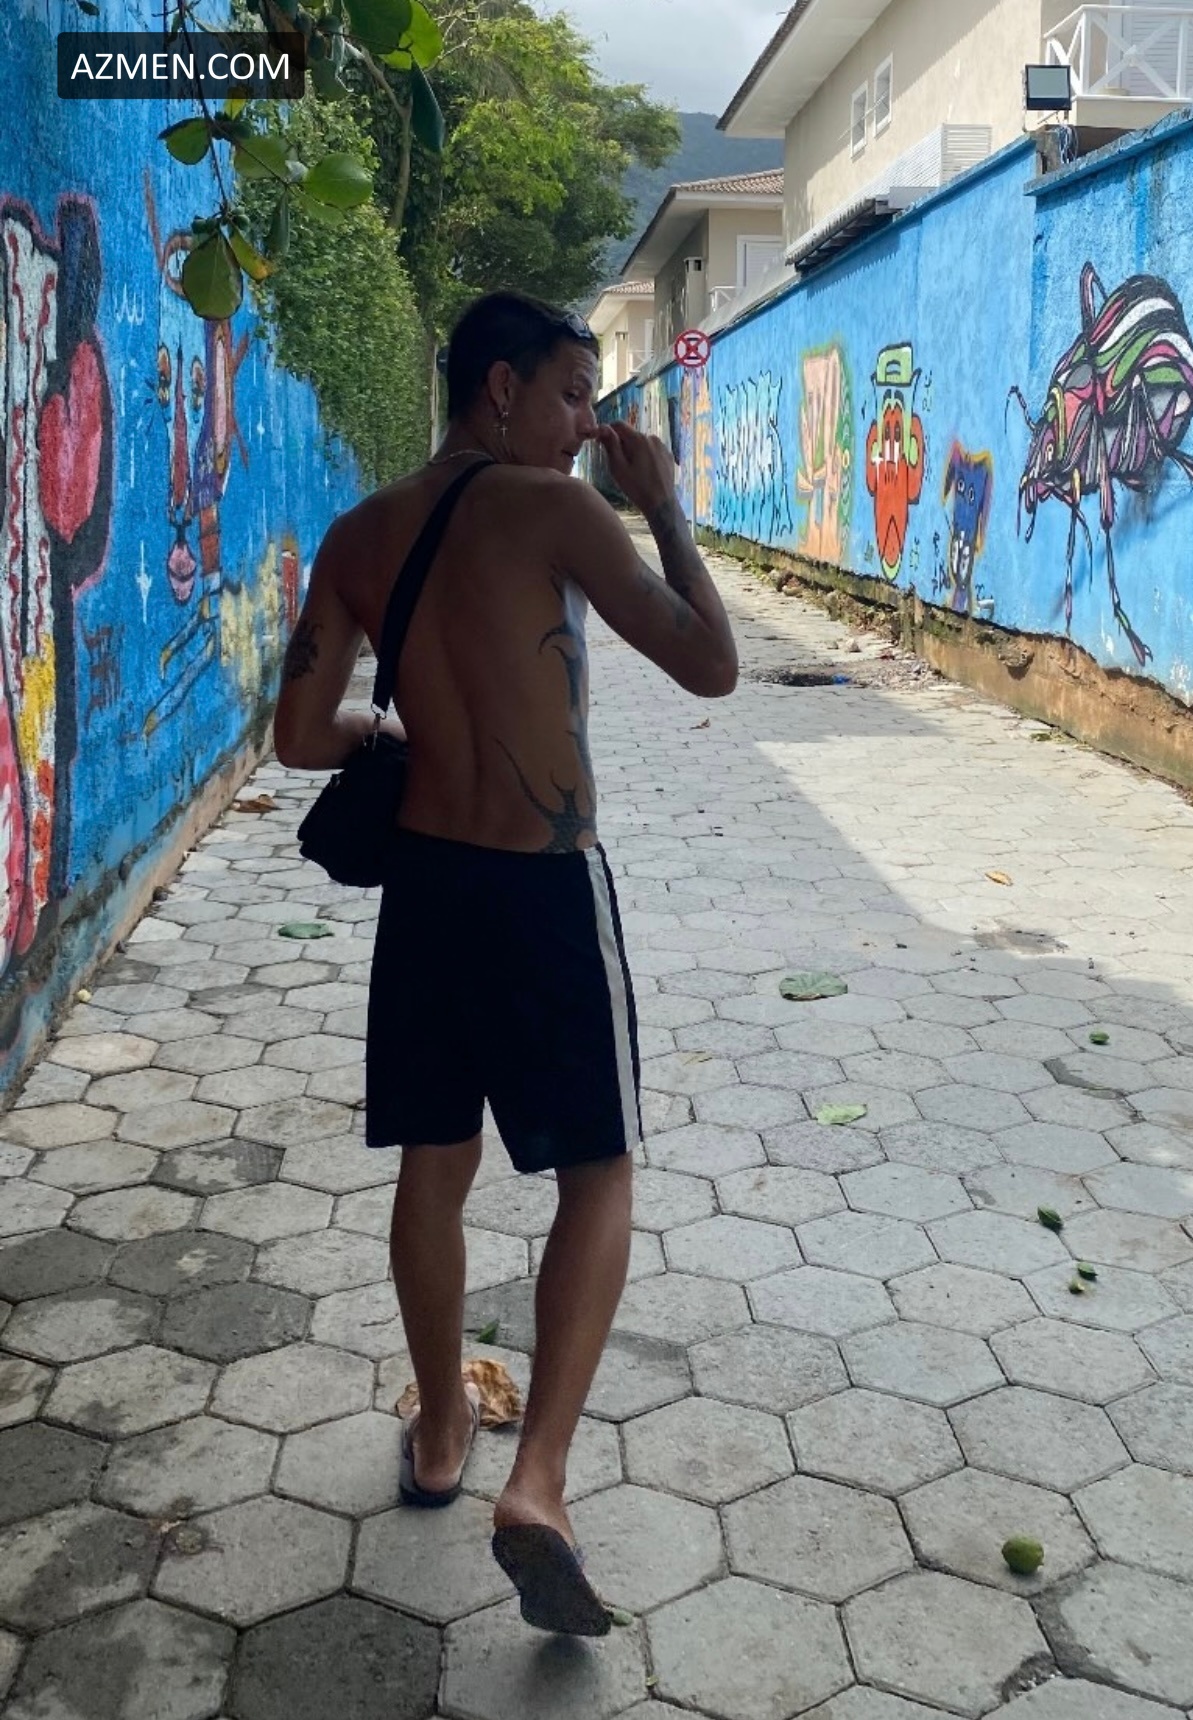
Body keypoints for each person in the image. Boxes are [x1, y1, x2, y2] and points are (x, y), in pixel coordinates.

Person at [273, 290, 738, 1634]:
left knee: (435, 1169)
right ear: (500, 389)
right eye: (573, 395)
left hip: (426, 892)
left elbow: (299, 737)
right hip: (543, 889)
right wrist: (665, 508)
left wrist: (392, 736)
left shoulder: (360, 535)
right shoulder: (558, 511)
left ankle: (438, 1434)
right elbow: (711, 664)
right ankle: (535, 1481)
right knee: (598, 1174)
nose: (588, 425)